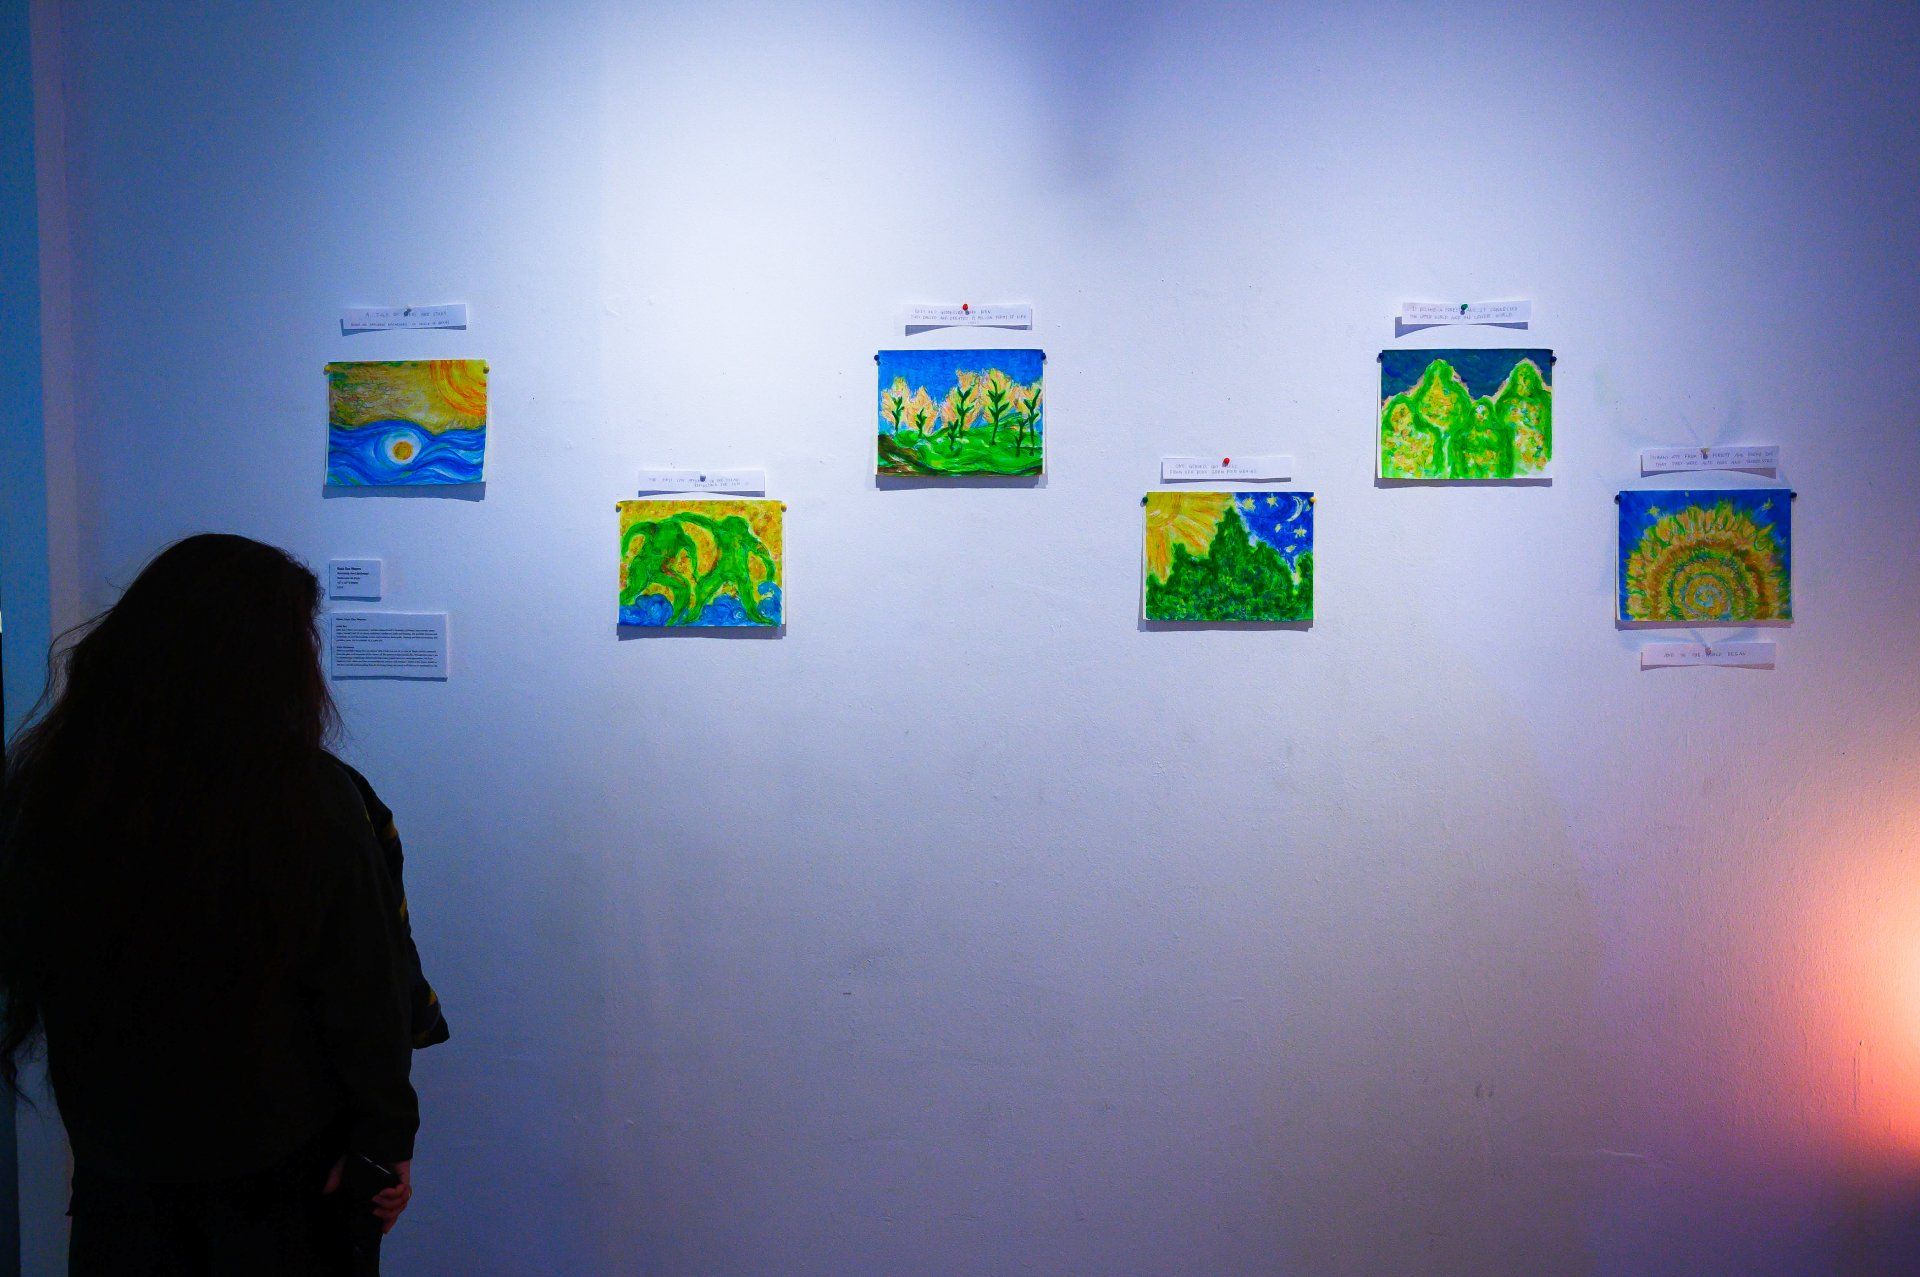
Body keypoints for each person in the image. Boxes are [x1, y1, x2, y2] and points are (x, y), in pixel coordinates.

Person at [0, 534, 447, 1275]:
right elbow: (364, 990)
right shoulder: (310, 799)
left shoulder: (59, 790)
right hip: (285, 1180)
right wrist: (384, 1142)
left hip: (122, 1171)